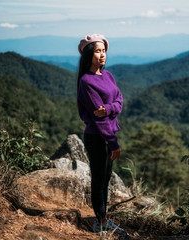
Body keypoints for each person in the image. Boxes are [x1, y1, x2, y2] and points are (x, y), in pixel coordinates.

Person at [77, 33, 124, 233]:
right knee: (99, 179)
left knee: (105, 178)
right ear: (89, 54)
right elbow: (99, 117)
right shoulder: (86, 81)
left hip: (109, 134)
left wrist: (110, 107)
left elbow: (120, 101)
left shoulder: (108, 75)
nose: (102, 55)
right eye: (97, 51)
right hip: (98, 137)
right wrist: (113, 143)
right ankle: (101, 222)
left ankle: (103, 218)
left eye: (104, 51)